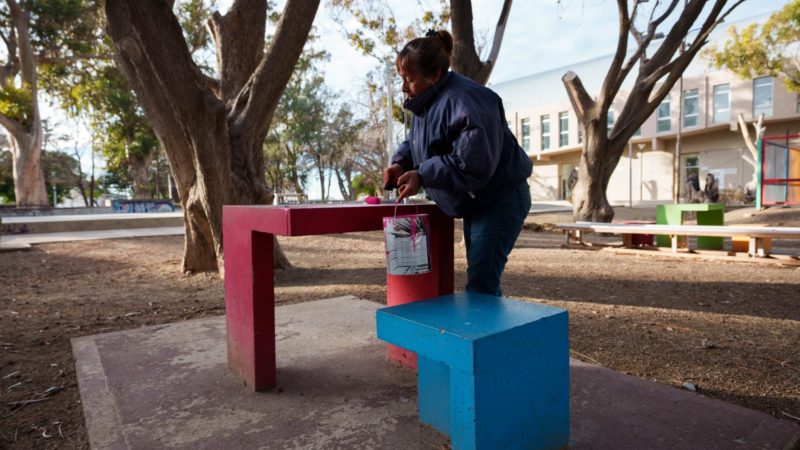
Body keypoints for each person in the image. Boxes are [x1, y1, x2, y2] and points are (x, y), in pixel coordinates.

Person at [383, 29, 532, 296]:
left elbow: (472, 163)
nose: (404, 87)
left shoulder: (468, 101)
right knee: (481, 282)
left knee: (481, 285)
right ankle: (481, 333)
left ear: (435, 74)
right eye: (401, 78)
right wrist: (400, 164)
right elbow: (418, 142)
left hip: (501, 198)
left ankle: (486, 335)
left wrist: (423, 175)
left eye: (409, 78)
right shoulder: (425, 102)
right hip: (477, 201)